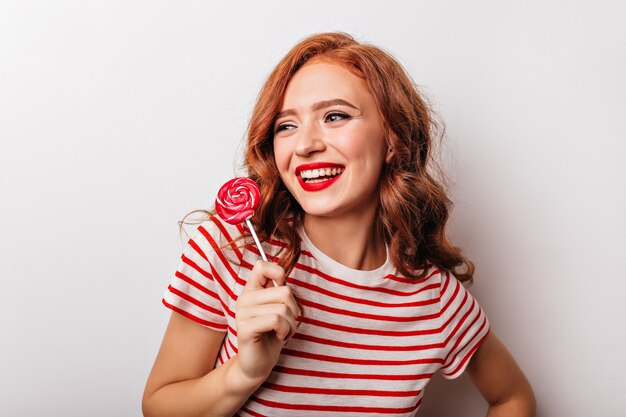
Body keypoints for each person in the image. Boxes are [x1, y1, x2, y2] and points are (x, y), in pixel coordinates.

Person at [142, 32, 535, 417]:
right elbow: (158, 406)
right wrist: (244, 373)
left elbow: (513, 398)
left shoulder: (434, 299)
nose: (304, 144)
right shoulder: (232, 249)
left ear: (394, 138)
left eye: (335, 116)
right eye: (286, 125)